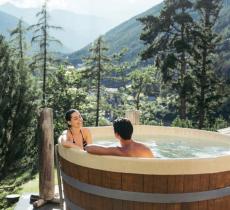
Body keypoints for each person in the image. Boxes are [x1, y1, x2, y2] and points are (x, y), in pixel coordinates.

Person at [85, 118, 153, 158]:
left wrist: (111, 149)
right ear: (131, 131)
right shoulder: (145, 148)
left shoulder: (119, 151)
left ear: (117, 134)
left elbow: (88, 148)